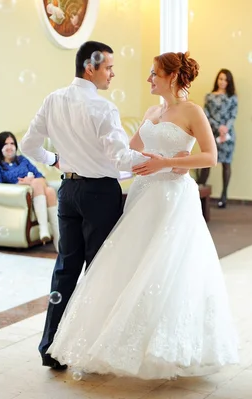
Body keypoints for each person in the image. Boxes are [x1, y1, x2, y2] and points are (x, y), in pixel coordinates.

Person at [47, 51, 239, 380]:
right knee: (132, 267)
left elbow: (210, 155)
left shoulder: (192, 111)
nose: (149, 79)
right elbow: (127, 154)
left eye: (154, 74)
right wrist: (87, 167)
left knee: (165, 269)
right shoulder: (152, 111)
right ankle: (122, 343)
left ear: (173, 77)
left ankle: (165, 348)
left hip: (172, 198)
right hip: (142, 194)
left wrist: (166, 163)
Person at [21, 41, 178, 370]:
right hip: (99, 195)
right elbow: (120, 158)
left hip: (68, 191)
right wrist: (157, 160)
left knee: (66, 267)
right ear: (89, 67)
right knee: (100, 269)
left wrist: (55, 160)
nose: (112, 73)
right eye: (108, 67)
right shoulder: (103, 109)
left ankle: (50, 347)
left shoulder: (53, 99)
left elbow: (28, 144)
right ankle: (89, 349)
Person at [0, 131, 59, 250]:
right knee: (44, 188)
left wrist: (30, 181)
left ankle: (55, 237)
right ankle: (53, 237)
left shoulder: (22, 159)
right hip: (21, 195)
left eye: (12, 143)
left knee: (48, 190)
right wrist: (21, 184)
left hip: (37, 191)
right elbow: (0, 185)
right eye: (5, 144)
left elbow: (40, 175)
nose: (10, 147)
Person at [196, 69, 238, 208]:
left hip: (228, 136)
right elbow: (206, 115)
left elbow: (233, 115)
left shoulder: (233, 97)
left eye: (226, 80)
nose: (223, 82)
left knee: (226, 164)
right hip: (212, 133)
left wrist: (225, 128)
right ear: (217, 80)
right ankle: (199, 193)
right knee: (207, 162)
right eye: (221, 79)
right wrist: (218, 127)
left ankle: (224, 195)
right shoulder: (209, 96)